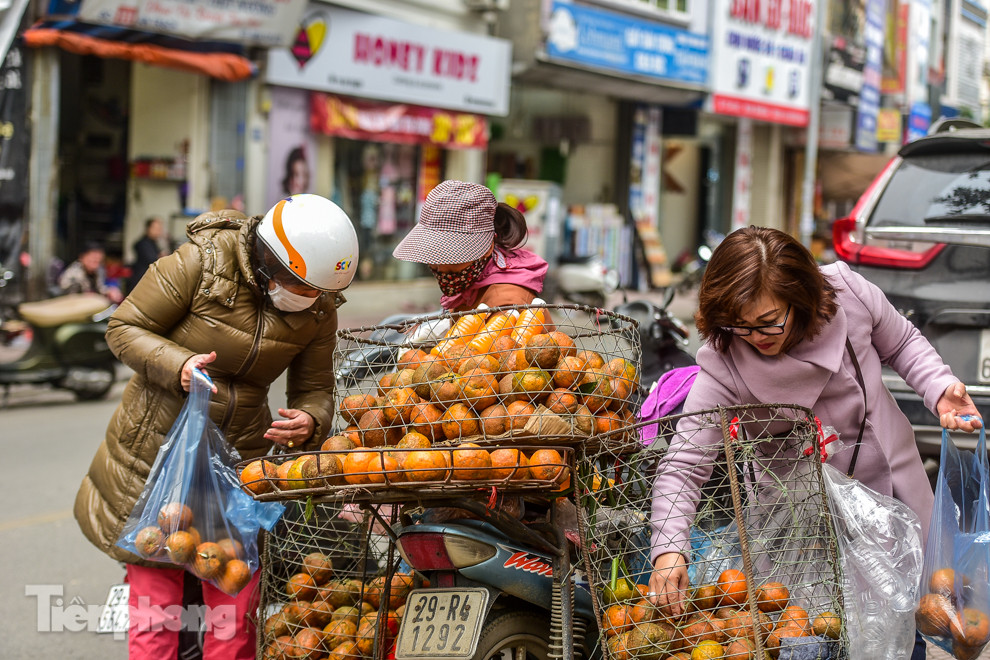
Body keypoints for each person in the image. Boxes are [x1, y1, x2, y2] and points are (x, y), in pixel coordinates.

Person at [647, 227, 981, 658]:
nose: (756, 336)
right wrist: (668, 549)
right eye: (740, 324)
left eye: (769, 321)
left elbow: (903, 343)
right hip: (802, 533)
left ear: (801, 298)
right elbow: (685, 462)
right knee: (816, 639)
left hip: (895, 499)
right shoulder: (723, 362)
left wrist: (939, 388)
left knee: (912, 623)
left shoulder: (849, 294)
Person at [73, 194, 359, 660]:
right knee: (157, 612)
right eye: (299, 285)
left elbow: (315, 387)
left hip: (237, 463)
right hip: (157, 452)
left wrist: (310, 419)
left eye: (316, 292)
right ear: (270, 260)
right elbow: (124, 327)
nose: (307, 298)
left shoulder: (318, 309)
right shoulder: (201, 263)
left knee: (234, 611)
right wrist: (178, 363)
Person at [392, 179, 548, 310]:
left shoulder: (505, 302)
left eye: (451, 257)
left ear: (487, 248)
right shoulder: (471, 286)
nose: (441, 269)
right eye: (435, 256)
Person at [57, 242, 124, 303]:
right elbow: (69, 297)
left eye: (99, 261)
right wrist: (86, 296)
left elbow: (100, 288)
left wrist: (110, 291)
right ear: (82, 257)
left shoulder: (99, 270)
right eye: (93, 260)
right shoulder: (74, 273)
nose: (96, 264)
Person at [129, 216, 168, 290]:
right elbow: (152, 260)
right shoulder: (142, 244)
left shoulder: (155, 243)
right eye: (156, 228)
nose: (158, 231)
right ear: (148, 228)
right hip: (141, 280)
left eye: (160, 229)